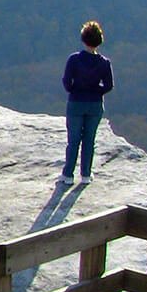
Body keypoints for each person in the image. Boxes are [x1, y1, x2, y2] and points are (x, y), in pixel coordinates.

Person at [60, 20, 113, 185]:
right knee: (89, 140)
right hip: (95, 105)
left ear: (83, 39)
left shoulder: (74, 59)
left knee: (73, 140)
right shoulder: (104, 62)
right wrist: (96, 91)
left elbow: (67, 82)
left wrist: (76, 89)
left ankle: (68, 175)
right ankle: (86, 175)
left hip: (76, 103)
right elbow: (109, 85)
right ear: (99, 41)